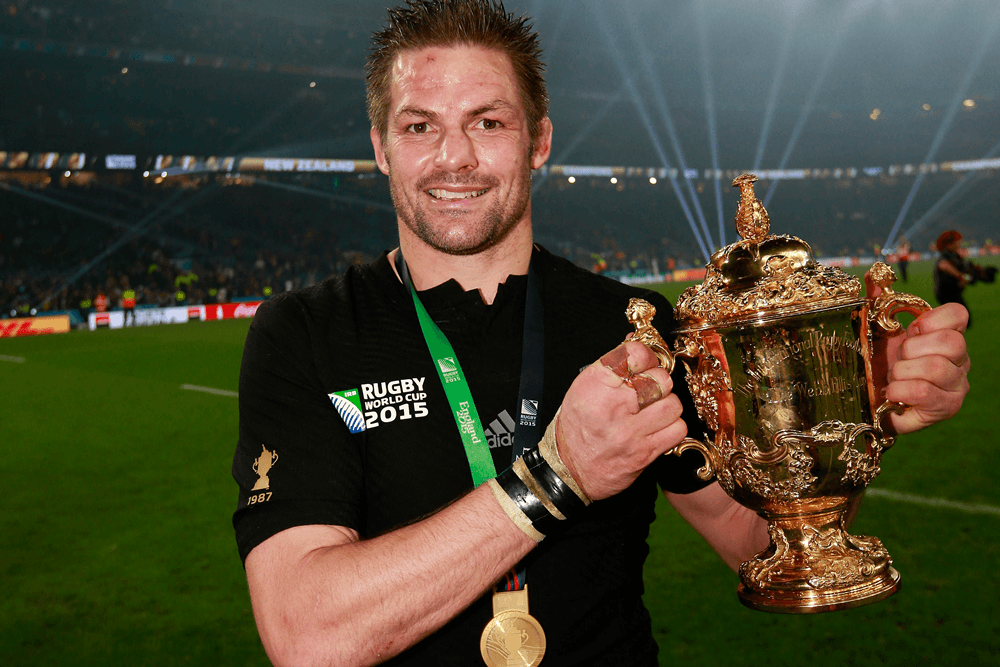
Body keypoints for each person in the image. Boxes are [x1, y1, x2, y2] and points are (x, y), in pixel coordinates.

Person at [231, 2, 971, 666]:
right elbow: (308, 634)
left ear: (540, 140)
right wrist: (557, 477)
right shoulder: (304, 333)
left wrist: (848, 403)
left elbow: (758, 547)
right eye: (420, 126)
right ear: (382, 146)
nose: (453, 157)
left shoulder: (638, 328)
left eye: (488, 122)